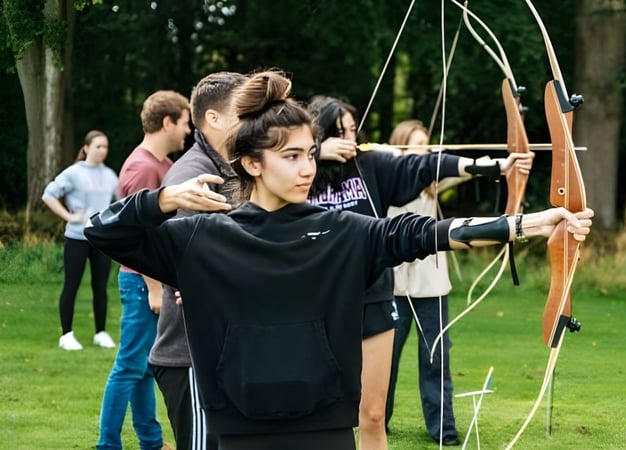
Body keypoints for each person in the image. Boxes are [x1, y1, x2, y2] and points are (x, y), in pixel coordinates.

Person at [83, 69, 594, 450]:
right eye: (291, 156)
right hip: (235, 427)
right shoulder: (202, 237)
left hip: (326, 427)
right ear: (252, 163)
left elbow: (425, 233)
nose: (307, 168)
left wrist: (531, 223)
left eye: (310, 153)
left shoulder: (340, 230)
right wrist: (164, 201)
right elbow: (102, 230)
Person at [306, 96, 534, 450]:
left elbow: (429, 166)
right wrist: (313, 154)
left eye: (352, 130)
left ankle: (441, 429)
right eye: (337, 133)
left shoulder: (371, 165)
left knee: (375, 412)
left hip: (374, 291)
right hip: (320, 294)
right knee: (321, 392)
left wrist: (498, 167)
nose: (348, 139)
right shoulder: (300, 172)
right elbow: (255, 167)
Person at [149, 71, 247, 450]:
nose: (255, 121)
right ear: (213, 118)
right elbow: (189, 268)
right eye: (245, 112)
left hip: (223, 353)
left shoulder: (231, 169)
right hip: (190, 357)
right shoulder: (194, 176)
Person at [96, 90, 191, 450]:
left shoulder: (165, 165)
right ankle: (107, 444)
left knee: (144, 367)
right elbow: (136, 233)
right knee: (129, 367)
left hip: (153, 281)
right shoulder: (142, 167)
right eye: (184, 123)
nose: (188, 131)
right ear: (167, 123)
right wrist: (154, 288)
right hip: (141, 282)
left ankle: (150, 440)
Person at [383, 120, 467, 445]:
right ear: (401, 147)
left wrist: (510, 161)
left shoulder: (432, 182)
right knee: (384, 360)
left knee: (436, 359)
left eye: (428, 146)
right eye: (418, 145)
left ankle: (443, 430)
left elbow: (466, 169)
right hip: (392, 287)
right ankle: (377, 420)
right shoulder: (384, 177)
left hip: (431, 288)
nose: (426, 151)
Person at [42, 130, 118, 351]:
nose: (102, 151)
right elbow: (48, 195)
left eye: (105, 147)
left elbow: (119, 203)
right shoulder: (73, 173)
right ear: (86, 148)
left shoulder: (111, 176)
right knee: (71, 285)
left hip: (101, 239)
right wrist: (68, 216)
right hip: (77, 237)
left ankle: (101, 333)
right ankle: (66, 335)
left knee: (100, 286)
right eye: (98, 146)